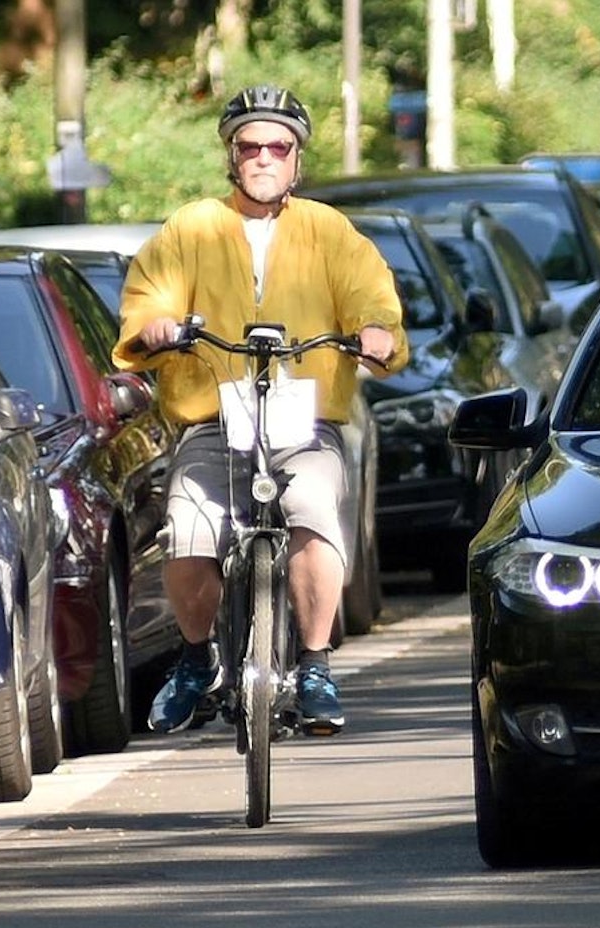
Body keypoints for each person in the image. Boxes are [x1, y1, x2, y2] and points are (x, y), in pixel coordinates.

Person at [112, 83, 409, 736]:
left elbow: (372, 297)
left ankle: (314, 664)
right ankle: (197, 661)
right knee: (188, 529)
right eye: (250, 146)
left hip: (305, 420)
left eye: (279, 145)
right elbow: (147, 296)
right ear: (231, 155)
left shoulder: (329, 231)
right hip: (213, 418)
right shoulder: (191, 227)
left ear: (297, 158)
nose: (264, 157)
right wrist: (157, 325)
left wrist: (377, 332)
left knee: (311, 514)